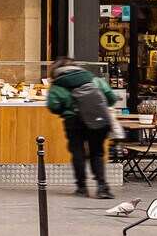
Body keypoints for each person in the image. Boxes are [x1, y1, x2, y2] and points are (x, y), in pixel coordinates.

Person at [45, 58, 118, 199]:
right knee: (97, 153)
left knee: (77, 152)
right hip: (97, 119)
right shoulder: (93, 79)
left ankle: (81, 187)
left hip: (73, 121)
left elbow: (53, 105)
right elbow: (111, 97)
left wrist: (66, 109)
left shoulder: (58, 85)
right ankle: (102, 187)